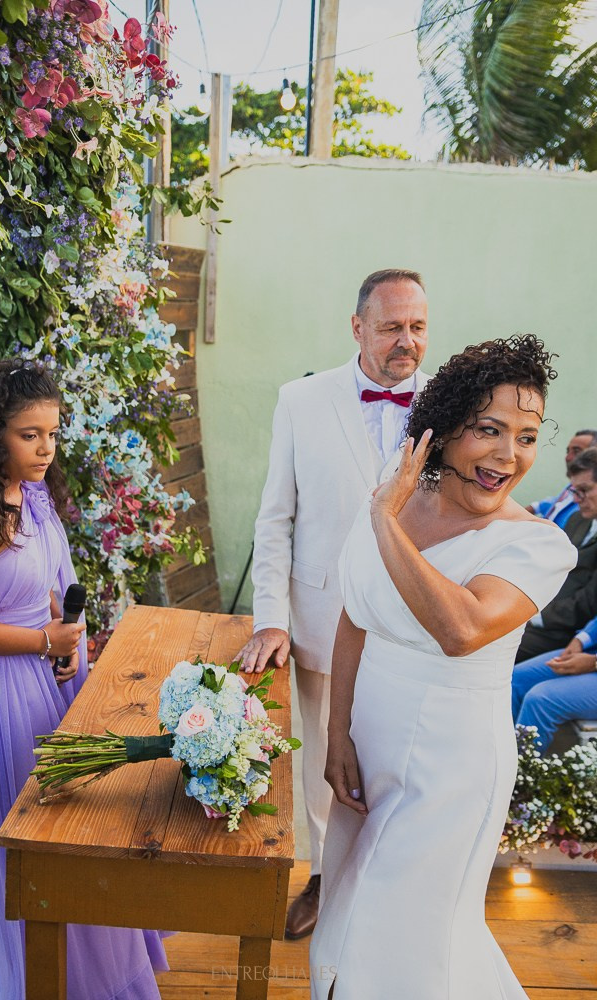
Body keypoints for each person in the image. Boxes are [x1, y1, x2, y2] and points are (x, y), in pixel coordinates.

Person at [309, 335, 577, 1000]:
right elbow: (354, 616)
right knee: (342, 922)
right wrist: (336, 734)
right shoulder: (396, 502)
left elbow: (458, 628)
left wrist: (383, 521)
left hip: (449, 770)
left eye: (524, 435)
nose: (506, 456)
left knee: (401, 939)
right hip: (366, 750)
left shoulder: (536, 545)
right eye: (488, 430)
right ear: (443, 429)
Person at [0, 359, 168, 1000]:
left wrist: (67, 647)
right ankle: (28, 973)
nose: (45, 448)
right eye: (29, 435)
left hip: (47, 679)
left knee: (71, 827)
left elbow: (43, 587)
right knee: (22, 835)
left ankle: (86, 970)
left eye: (53, 432)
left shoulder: (35, 500)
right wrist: (44, 640)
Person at [236, 268, 431, 939]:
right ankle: (322, 880)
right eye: (391, 327)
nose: (406, 341)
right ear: (357, 328)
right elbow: (274, 519)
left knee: (400, 759)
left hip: (413, 625)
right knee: (323, 762)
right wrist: (270, 618)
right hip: (322, 619)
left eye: (417, 327)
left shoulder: (452, 404)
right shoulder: (300, 400)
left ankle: (386, 890)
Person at [517, 446, 597, 662]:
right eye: (574, 491)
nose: (576, 500)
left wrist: (535, 616)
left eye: (583, 490)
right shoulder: (578, 519)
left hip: (561, 632)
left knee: (489, 652)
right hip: (535, 614)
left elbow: (590, 602)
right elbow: (548, 567)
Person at [512, 603, 597, 752]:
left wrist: (596, 661)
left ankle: (523, 770)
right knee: (516, 680)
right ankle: (498, 758)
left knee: (541, 699)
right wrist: (580, 641)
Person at [526, 428, 597, 527]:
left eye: (576, 451)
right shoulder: (572, 488)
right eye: (568, 451)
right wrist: (533, 508)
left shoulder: (590, 506)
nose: (567, 457)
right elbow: (554, 502)